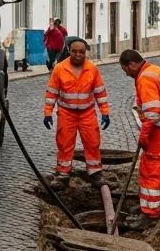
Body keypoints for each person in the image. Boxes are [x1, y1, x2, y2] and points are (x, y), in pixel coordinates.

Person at [120, 49, 160, 225]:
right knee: (149, 166)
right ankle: (146, 206)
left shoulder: (146, 78)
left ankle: (151, 213)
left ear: (131, 65)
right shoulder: (154, 70)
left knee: (151, 170)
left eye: (126, 71)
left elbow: (153, 114)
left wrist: (144, 136)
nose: (127, 75)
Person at [43, 38, 111, 179]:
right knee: (64, 143)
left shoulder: (92, 69)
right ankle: (63, 171)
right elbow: (52, 92)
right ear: (69, 51)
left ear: (85, 52)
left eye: (81, 52)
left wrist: (105, 112)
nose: (78, 55)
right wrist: (47, 113)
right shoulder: (60, 69)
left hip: (87, 113)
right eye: (74, 51)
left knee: (92, 142)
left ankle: (95, 171)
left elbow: (100, 92)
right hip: (66, 113)